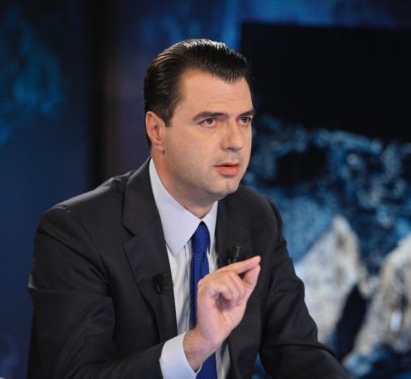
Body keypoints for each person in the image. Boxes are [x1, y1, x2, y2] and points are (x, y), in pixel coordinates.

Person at [28, 39, 349, 378]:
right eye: (210, 121)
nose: (236, 141)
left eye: (244, 120)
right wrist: (195, 346)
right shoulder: (77, 232)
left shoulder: (258, 216)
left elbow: (298, 352)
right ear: (157, 130)